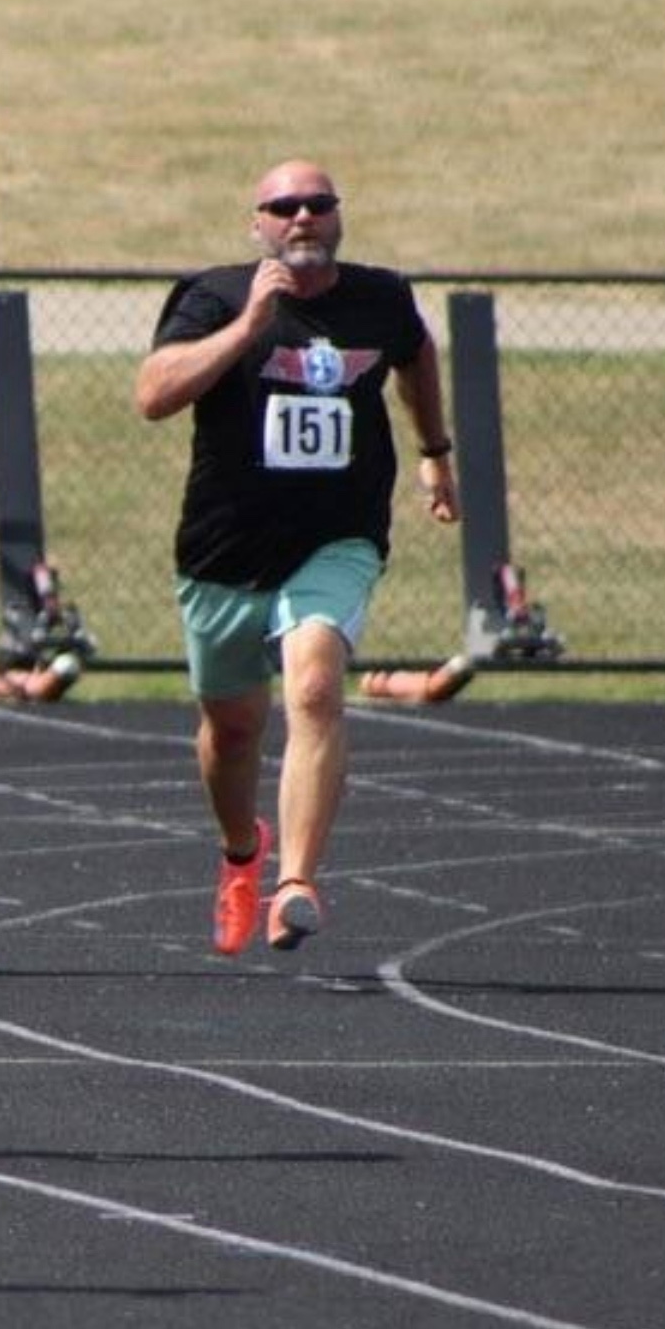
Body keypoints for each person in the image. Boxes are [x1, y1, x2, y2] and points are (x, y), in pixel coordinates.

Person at [133, 159, 459, 956]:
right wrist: (248, 327)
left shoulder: (379, 297)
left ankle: (296, 883)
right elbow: (151, 396)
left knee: (313, 686)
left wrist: (434, 450)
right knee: (231, 728)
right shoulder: (211, 295)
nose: (302, 217)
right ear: (259, 224)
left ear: (338, 216)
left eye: (317, 204)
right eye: (284, 207)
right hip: (224, 547)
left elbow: (415, 354)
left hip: (335, 539)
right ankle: (243, 852)